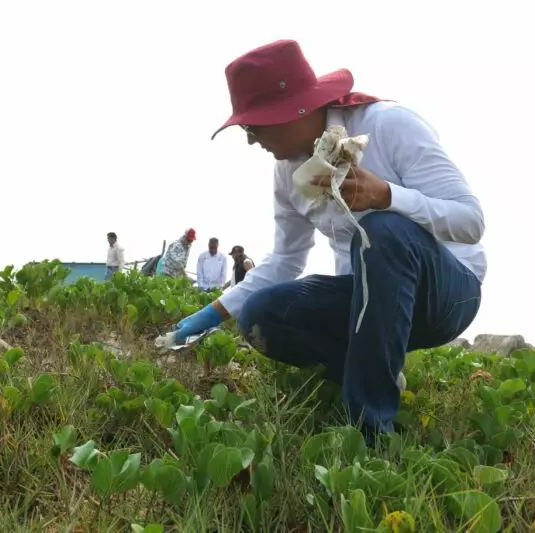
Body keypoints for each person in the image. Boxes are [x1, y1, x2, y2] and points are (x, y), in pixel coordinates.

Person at [173, 40, 485, 441]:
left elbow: (471, 221)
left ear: (291, 111)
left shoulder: (388, 126)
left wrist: (387, 196)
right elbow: (286, 258)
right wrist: (212, 314)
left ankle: (370, 431)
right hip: (369, 306)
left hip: (446, 293)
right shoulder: (288, 173)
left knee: (380, 230)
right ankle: (371, 374)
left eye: (254, 127)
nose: (251, 140)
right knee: (261, 315)